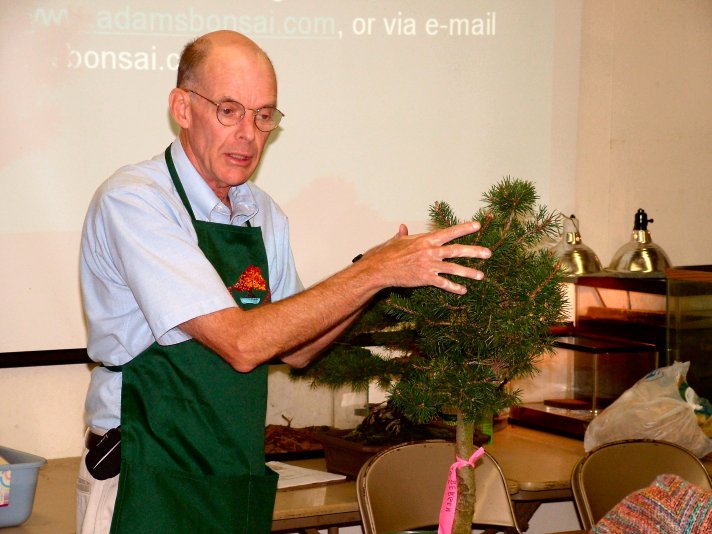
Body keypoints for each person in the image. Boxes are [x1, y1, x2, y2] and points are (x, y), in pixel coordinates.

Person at [76, 30, 491, 534]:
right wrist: (374, 270)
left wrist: (375, 277)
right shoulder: (136, 202)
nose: (249, 134)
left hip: (231, 469)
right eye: (229, 110)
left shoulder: (261, 213)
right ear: (182, 107)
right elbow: (242, 342)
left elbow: (297, 350)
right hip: (147, 471)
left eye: (264, 115)